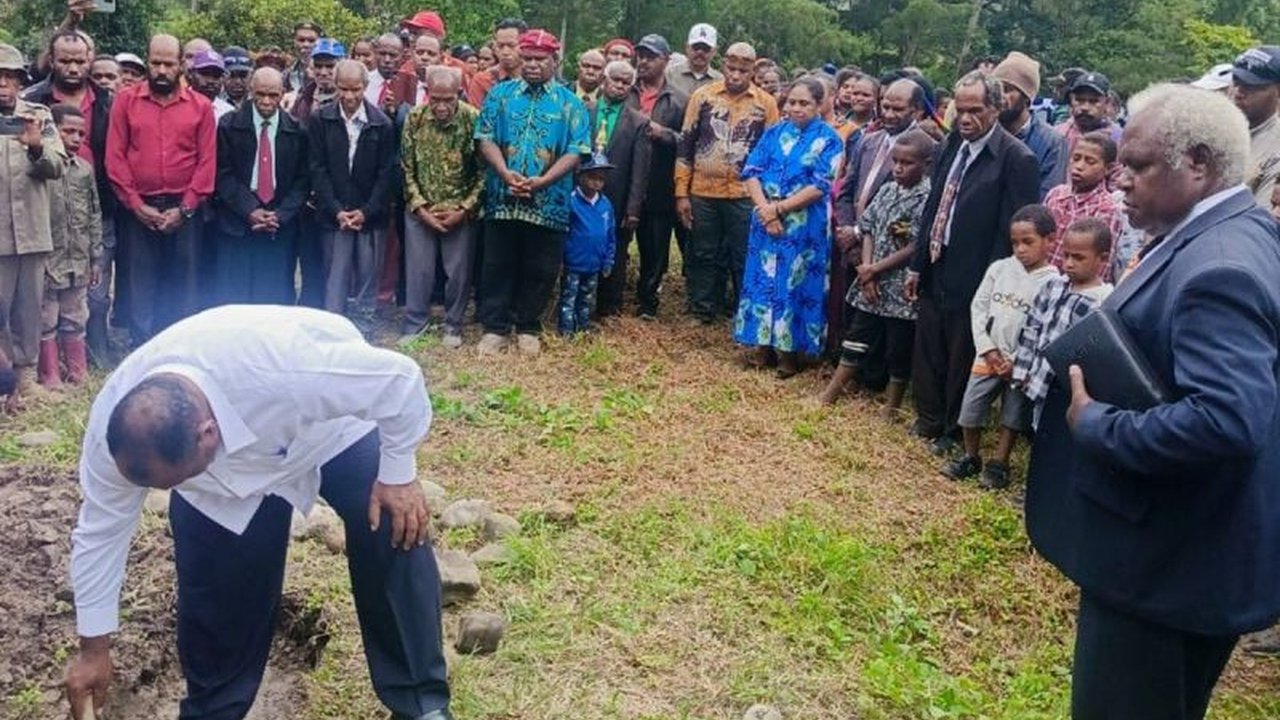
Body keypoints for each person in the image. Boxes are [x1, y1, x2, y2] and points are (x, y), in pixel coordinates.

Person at [1024, 83, 1280, 720]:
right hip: (1172, 550)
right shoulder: (1231, 230)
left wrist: (1096, 423)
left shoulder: (1220, 267)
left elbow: (1226, 420)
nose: (1120, 181)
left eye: (1138, 166)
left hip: (1168, 566)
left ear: (1198, 164)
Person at [62, 305, 453, 720]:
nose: (170, 492)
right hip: (221, 485)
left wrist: (398, 475)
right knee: (219, 594)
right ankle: (214, 713)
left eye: (177, 481)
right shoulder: (117, 436)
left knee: (395, 523)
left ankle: (421, 704)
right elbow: (101, 533)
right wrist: (94, 650)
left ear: (207, 434)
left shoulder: (292, 366)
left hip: (326, 432)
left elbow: (400, 380)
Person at [904, 71, 1040, 454]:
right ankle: (928, 419)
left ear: (995, 108)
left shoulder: (1016, 158)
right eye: (959, 110)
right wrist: (917, 264)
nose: (965, 118)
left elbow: (1016, 230)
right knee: (929, 344)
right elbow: (934, 206)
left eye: (975, 110)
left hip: (979, 269)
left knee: (963, 350)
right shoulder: (951, 144)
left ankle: (953, 430)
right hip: (937, 260)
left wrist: (996, 282)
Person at [473, 29, 589, 355]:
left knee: (540, 266)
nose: (533, 65)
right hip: (503, 195)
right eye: (528, 59)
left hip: (548, 201)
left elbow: (577, 150)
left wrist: (544, 181)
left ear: (555, 61)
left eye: (541, 59)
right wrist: (504, 172)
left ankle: (528, 325)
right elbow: (485, 137)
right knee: (497, 262)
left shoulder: (571, 104)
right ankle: (495, 327)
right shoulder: (500, 95)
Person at [106, 34, 217, 346]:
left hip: (185, 207)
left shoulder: (200, 107)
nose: (162, 70)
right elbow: (115, 157)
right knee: (140, 278)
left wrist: (185, 208)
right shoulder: (126, 101)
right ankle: (142, 346)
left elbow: (207, 162)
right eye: (156, 63)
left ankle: (180, 347)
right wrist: (136, 205)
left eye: (169, 64)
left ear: (181, 64)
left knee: (184, 279)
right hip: (139, 206)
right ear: (147, 62)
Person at [941, 204, 1058, 488]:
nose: (1020, 249)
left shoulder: (1054, 283)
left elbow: (1044, 327)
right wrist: (988, 349)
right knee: (971, 408)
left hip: (1021, 363)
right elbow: (979, 307)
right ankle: (971, 456)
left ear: (1050, 240)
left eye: (1028, 241)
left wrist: (1016, 359)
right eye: (1015, 242)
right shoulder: (999, 269)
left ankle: (999, 464)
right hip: (988, 356)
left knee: (1013, 415)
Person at [735, 77, 843, 378]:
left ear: (819, 105)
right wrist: (766, 211)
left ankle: (788, 353)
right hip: (765, 219)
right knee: (763, 279)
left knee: (793, 283)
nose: (796, 108)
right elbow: (751, 171)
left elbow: (821, 185)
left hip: (803, 225)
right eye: (792, 102)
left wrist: (780, 209)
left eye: (804, 103)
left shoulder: (829, 139)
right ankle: (761, 346)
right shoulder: (774, 132)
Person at [820, 130, 935, 411]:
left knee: (898, 346)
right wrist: (867, 269)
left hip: (900, 286)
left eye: (906, 163)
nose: (898, 168)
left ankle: (891, 407)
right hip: (871, 280)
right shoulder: (887, 190)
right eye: (895, 161)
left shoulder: (928, 198)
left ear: (926, 164)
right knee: (857, 335)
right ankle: (829, 395)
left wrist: (875, 269)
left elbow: (916, 245)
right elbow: (869, 228)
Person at [675, 42, 779, 324]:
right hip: (703, 190)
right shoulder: (703, 96)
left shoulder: (765, 104)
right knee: (702, 251)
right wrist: (681, 193)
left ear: (753, 71)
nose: (735, 75)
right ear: (723, 66)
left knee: (743, 253)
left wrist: (769, 198)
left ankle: (744, 312)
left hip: (746, 193)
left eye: (742, 71)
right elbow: (686, 145)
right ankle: (702, 309)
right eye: (731, 69)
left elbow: (772, 154)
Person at [309, 60, 398, 339]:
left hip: (370, 214)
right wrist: (336, 209)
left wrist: (367, 211)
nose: (349, 96)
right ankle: (333, 329)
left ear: (365, 87)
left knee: (368, 273)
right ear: (336, 86)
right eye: (343, 89)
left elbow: (386, 174)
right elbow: (317, 168)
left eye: (355, 89)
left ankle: (364, 329)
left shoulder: (381, 123)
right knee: (335, 274)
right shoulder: (321, 119)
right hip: (333, 212)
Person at [0, 43, 64, 403]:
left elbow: (57, 167)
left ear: (21, 81)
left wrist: (36, 146)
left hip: (32, 231)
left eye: (10, 77)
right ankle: (3, 381)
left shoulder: (39, 116)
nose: (3, 84)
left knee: (28, 307)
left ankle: (25, 378)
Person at [400, 65, 481, 348]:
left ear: (459, 93)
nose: (442, 106)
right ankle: (415, 323)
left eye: (448, 99)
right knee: (418, 270)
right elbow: (406, 167)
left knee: (458, 273)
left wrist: (464, 209)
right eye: (435, 99)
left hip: (459, 211)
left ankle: (453, 325)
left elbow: (484, 172)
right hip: (421, 209)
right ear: (427, 93)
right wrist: (421, 208)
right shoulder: (415, 118)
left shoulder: (473, 119)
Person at [213, 67, 309, 305]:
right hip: (238, 221)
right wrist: (250, 210)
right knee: (235, 296)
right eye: (261, 94)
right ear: (251, 91)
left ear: (282, 93)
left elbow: (303, 180)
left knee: (274, 296)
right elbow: (222, 174)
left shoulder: (297, 130)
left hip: (279, 224)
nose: (266, 101)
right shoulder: (229, 125)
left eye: (273, 95)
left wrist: (281, 214)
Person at [1011, 217, 1113, 428]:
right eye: (1066, 255)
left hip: (1072, 391)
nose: (1069, 263)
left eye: (1078, 257)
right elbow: (1031, 329)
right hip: (1039, 380)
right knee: (1038, 429)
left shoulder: (1103, 302)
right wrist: (1022, 372)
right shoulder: (1053, 287)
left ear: (1102, 258)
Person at [38, 104, 100, 388]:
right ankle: (49, 374)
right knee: (46, 316)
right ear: (52, 132)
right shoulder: (39, 169)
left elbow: (94, 212)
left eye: (81, 133)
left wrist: (95, 256)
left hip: (78, 258)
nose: (76, 138)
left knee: (75, 314)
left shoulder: (84, 170)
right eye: (68, 131)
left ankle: (77, 371)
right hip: (48, 258)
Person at [628, 34, 687, 320]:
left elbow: (688, 143)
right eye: (640, 55)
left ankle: (648, 301)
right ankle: (610, 294)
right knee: (618, 240)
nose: (644, 61)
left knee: (655, 245)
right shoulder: (624, 90)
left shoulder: (679, 100)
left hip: (659, 181)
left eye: (651, 57)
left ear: (666, 60)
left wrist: (664, 134)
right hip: (624, 177)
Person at [591, 60, 651, 318]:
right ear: (604, 80)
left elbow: (640, 171)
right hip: (582, 194)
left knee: (614, 251)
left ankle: (609, 308)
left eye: (626, 82)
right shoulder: (585, 111)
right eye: (615, 80)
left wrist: (633, 209)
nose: (619, 86)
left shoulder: (638, 122)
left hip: (617, 197)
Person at [1044, 131, 1124, 280]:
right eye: (1076, 158)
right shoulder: (1055, 195)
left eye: (1090, 162)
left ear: (1108, 168)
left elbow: (1099, 269)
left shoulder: (1107, 210)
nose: (1079, 166)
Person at [991, 51, 1066, 199]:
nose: (1001, 97)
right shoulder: (986, 134)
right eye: (997, 89)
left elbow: (1049, 196)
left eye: (1008, 90)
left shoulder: (1052, 142)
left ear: (1027, 97)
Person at [560, 154, 617, 335]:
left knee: (587, 300)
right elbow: (563, 232)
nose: (596, 182)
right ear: (581, 176)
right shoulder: (571, 201)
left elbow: (610, 234)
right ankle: (566, 331)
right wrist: (561, 259)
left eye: (601, 178)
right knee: (569, 299)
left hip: (594, 264)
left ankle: (583, 329)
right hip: (573, 263)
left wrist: (608, 260)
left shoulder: (606, 204)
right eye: (592, 177)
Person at [1230, 45, 1280, 205]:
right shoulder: (1207, 131)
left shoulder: (1275, 150)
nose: (1238, 92)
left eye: (1251, 86)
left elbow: (1264, 217)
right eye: (1236, 82)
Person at [466, 18, 527, 109]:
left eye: (511, 46)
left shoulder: (536, 77)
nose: (505, 52)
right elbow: (476, 115)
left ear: (525, 45)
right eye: (500, 46)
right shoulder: (483, 80)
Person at [1056, 71, 1123, 151]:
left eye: (1093, 101)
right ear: (1071, 100)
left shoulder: (1120, 140)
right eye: (1079, 100)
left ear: (1107, 102)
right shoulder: (1057, 134)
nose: (1085, 108)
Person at [288, 38, 344, 122]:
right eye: (318, 66)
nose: (323, 72)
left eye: (330, 66)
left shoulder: (349, 99)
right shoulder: (304, 97)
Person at [666, 23, 722, 98]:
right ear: (687, 47)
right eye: (696, 47)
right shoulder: (670, 74)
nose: (700, 52)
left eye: (705, 48)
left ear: (714, 51)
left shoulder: (720, 81)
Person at [832, 70, 878, 141]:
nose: (859, 98)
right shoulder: (837, 123)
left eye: (865, 95)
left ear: (876, 99)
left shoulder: (878, 127)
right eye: (855, 94)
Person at [189, 49, 234, 119]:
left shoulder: (229, 113)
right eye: (205, 73)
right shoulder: (177, 105)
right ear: (191, 73)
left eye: (216, 76)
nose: (210, 81)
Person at [286, 20, 322, 91]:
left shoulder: (331, 72)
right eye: (301, 40)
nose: (306, 45)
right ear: (294, 42)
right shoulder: (288, 73)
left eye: (311, 41)